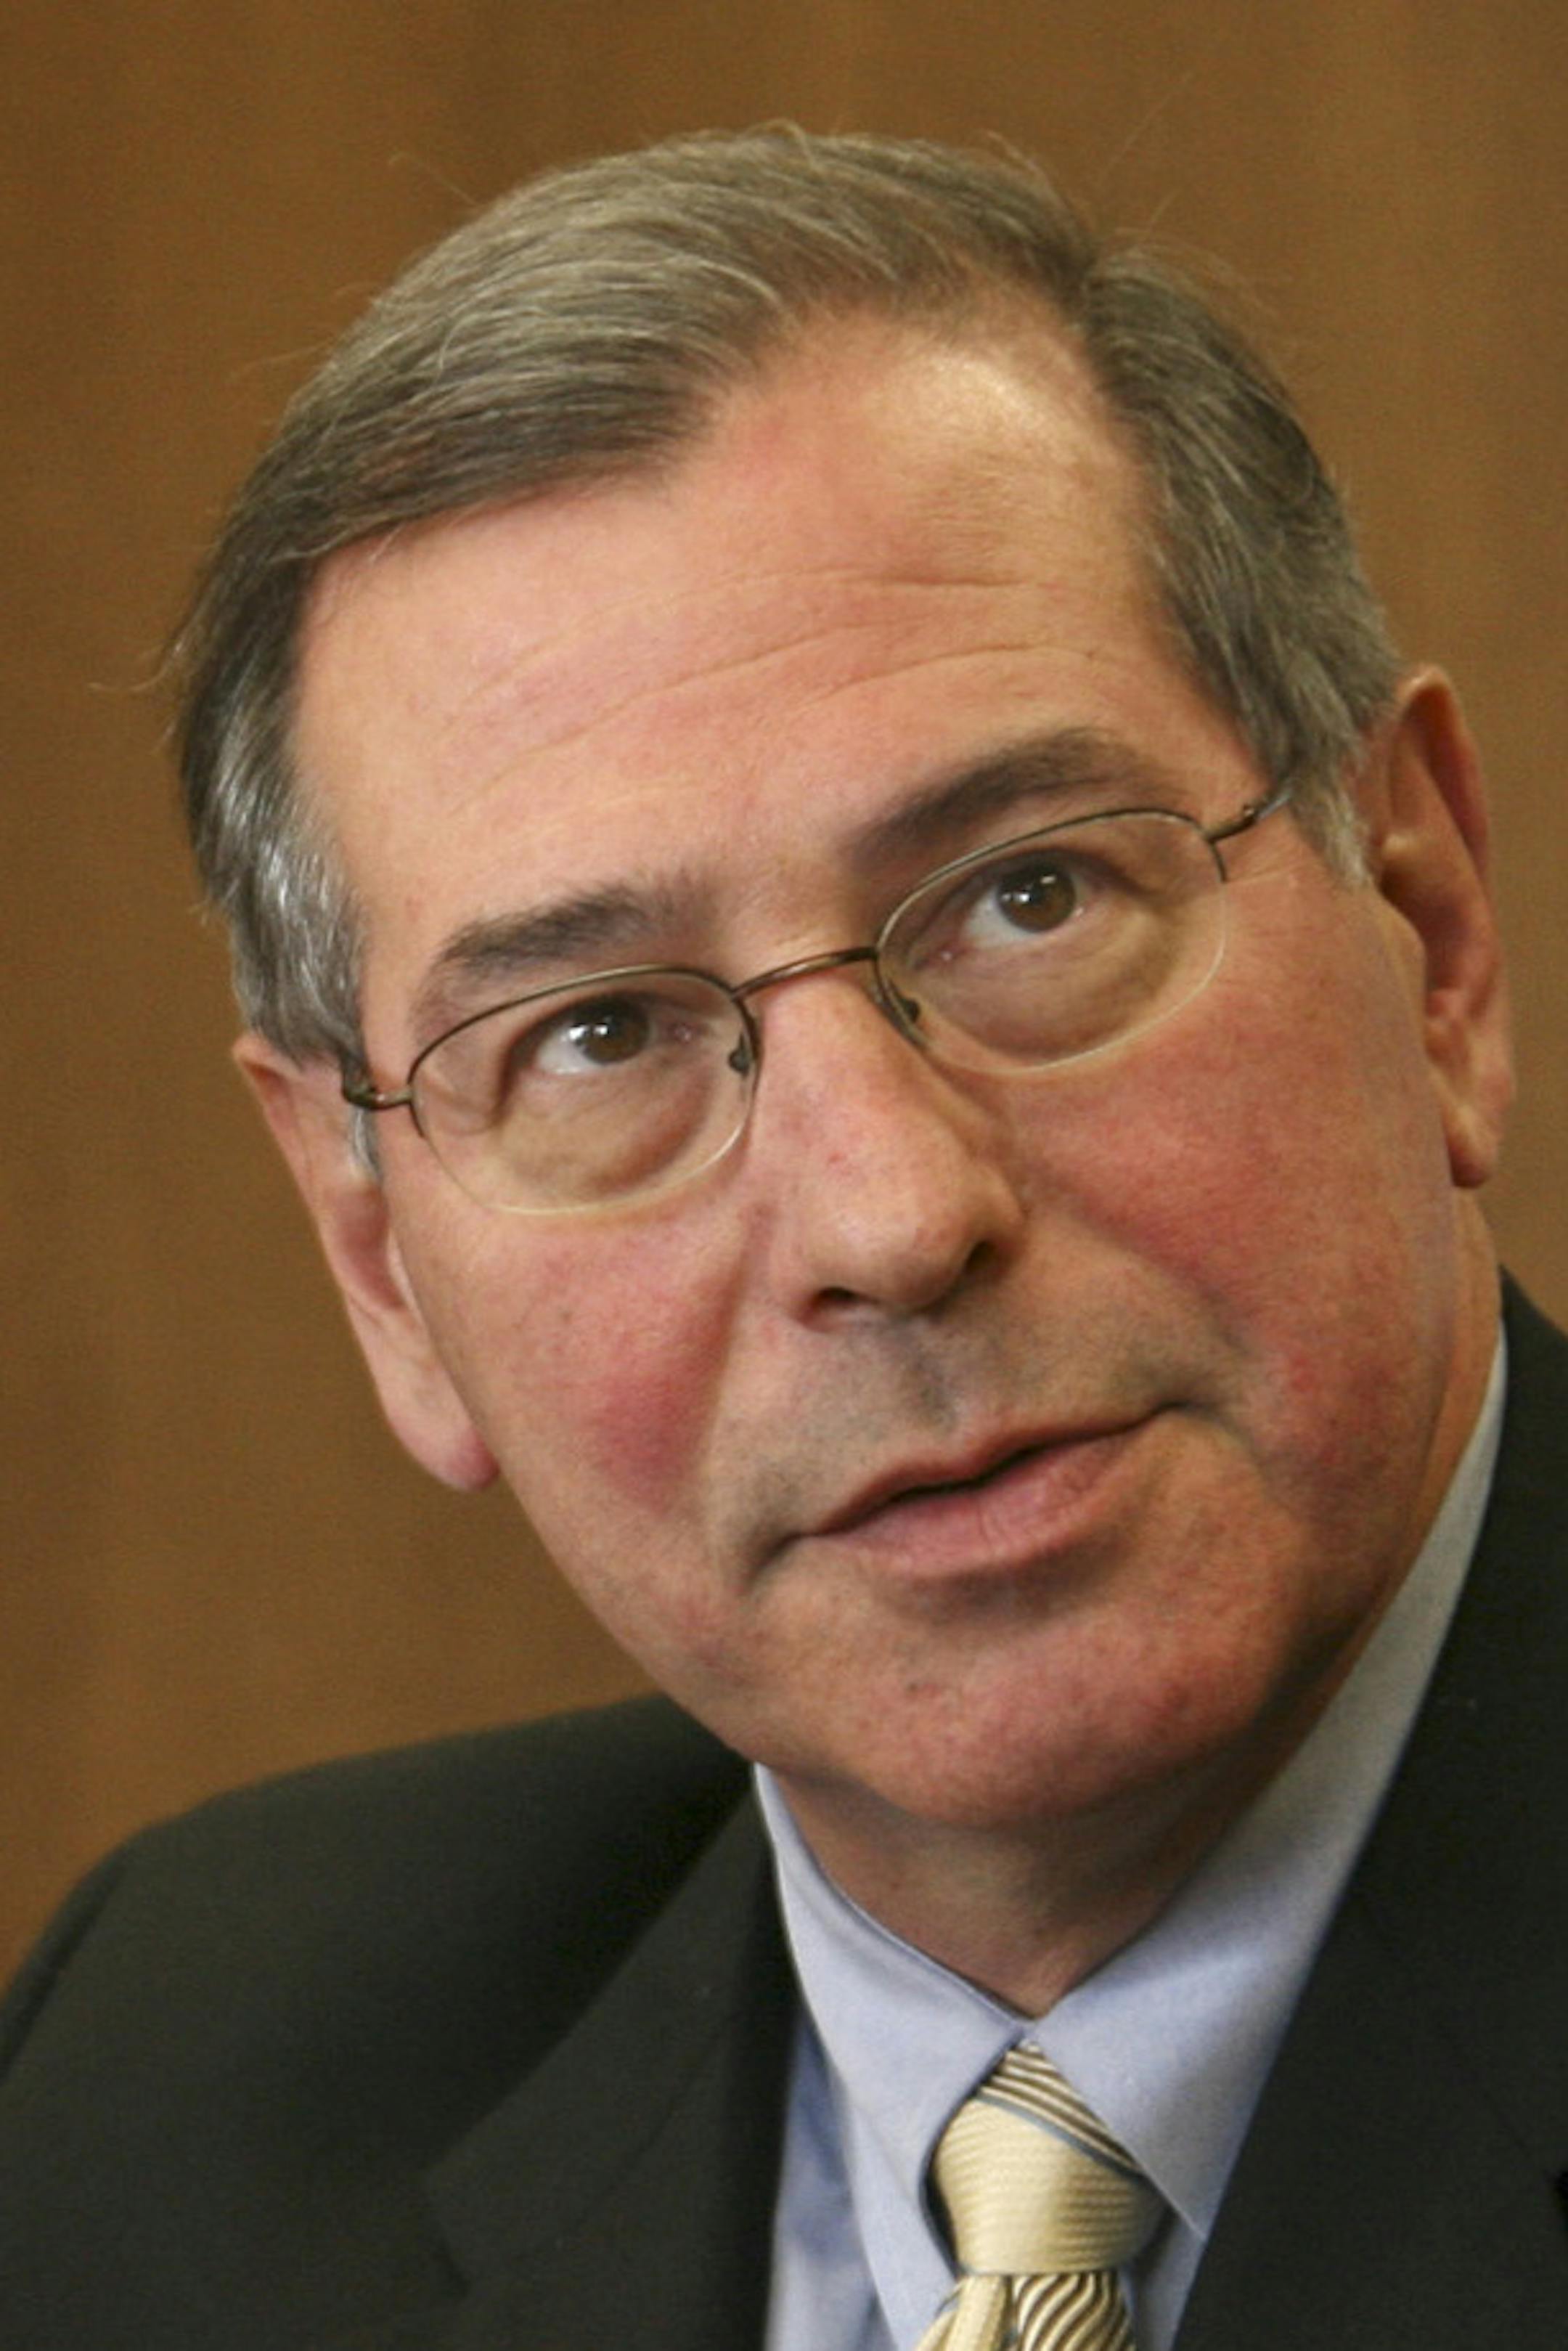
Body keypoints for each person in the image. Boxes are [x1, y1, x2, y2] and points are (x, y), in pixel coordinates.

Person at [1, 126, 1562, 2351]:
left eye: (1036, 896)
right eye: (602, 1033)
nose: (894, 1214)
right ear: (376, 1256)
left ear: (1428, 935)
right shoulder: (171, 2099)